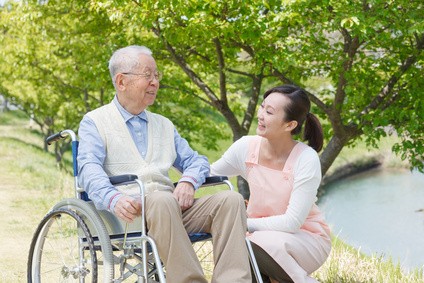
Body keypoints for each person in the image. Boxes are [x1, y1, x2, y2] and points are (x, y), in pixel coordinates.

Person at [77, 45, 252, 283]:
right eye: (147, 75)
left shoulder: (164, 125)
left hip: (170, 209)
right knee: (161, 199)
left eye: (156, 76)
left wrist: (189, 182)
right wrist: (113, 198)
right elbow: (88, 169)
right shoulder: (95, 122)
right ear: (121, 81)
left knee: (230, 200)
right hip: (128, 215)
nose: (155, 82)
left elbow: (197, 161)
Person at [211, 85, 331, 283]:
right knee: (242, 249)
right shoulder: (246, 147)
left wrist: (241, 223)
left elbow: (292, 222)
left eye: (269, 112)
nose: (261, 115)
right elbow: (210, 173)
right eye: (262, 107)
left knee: (250, 244)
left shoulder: (306, 158)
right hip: (256, 236)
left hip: (304, 238)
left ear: (289, 125)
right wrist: (179, 166)